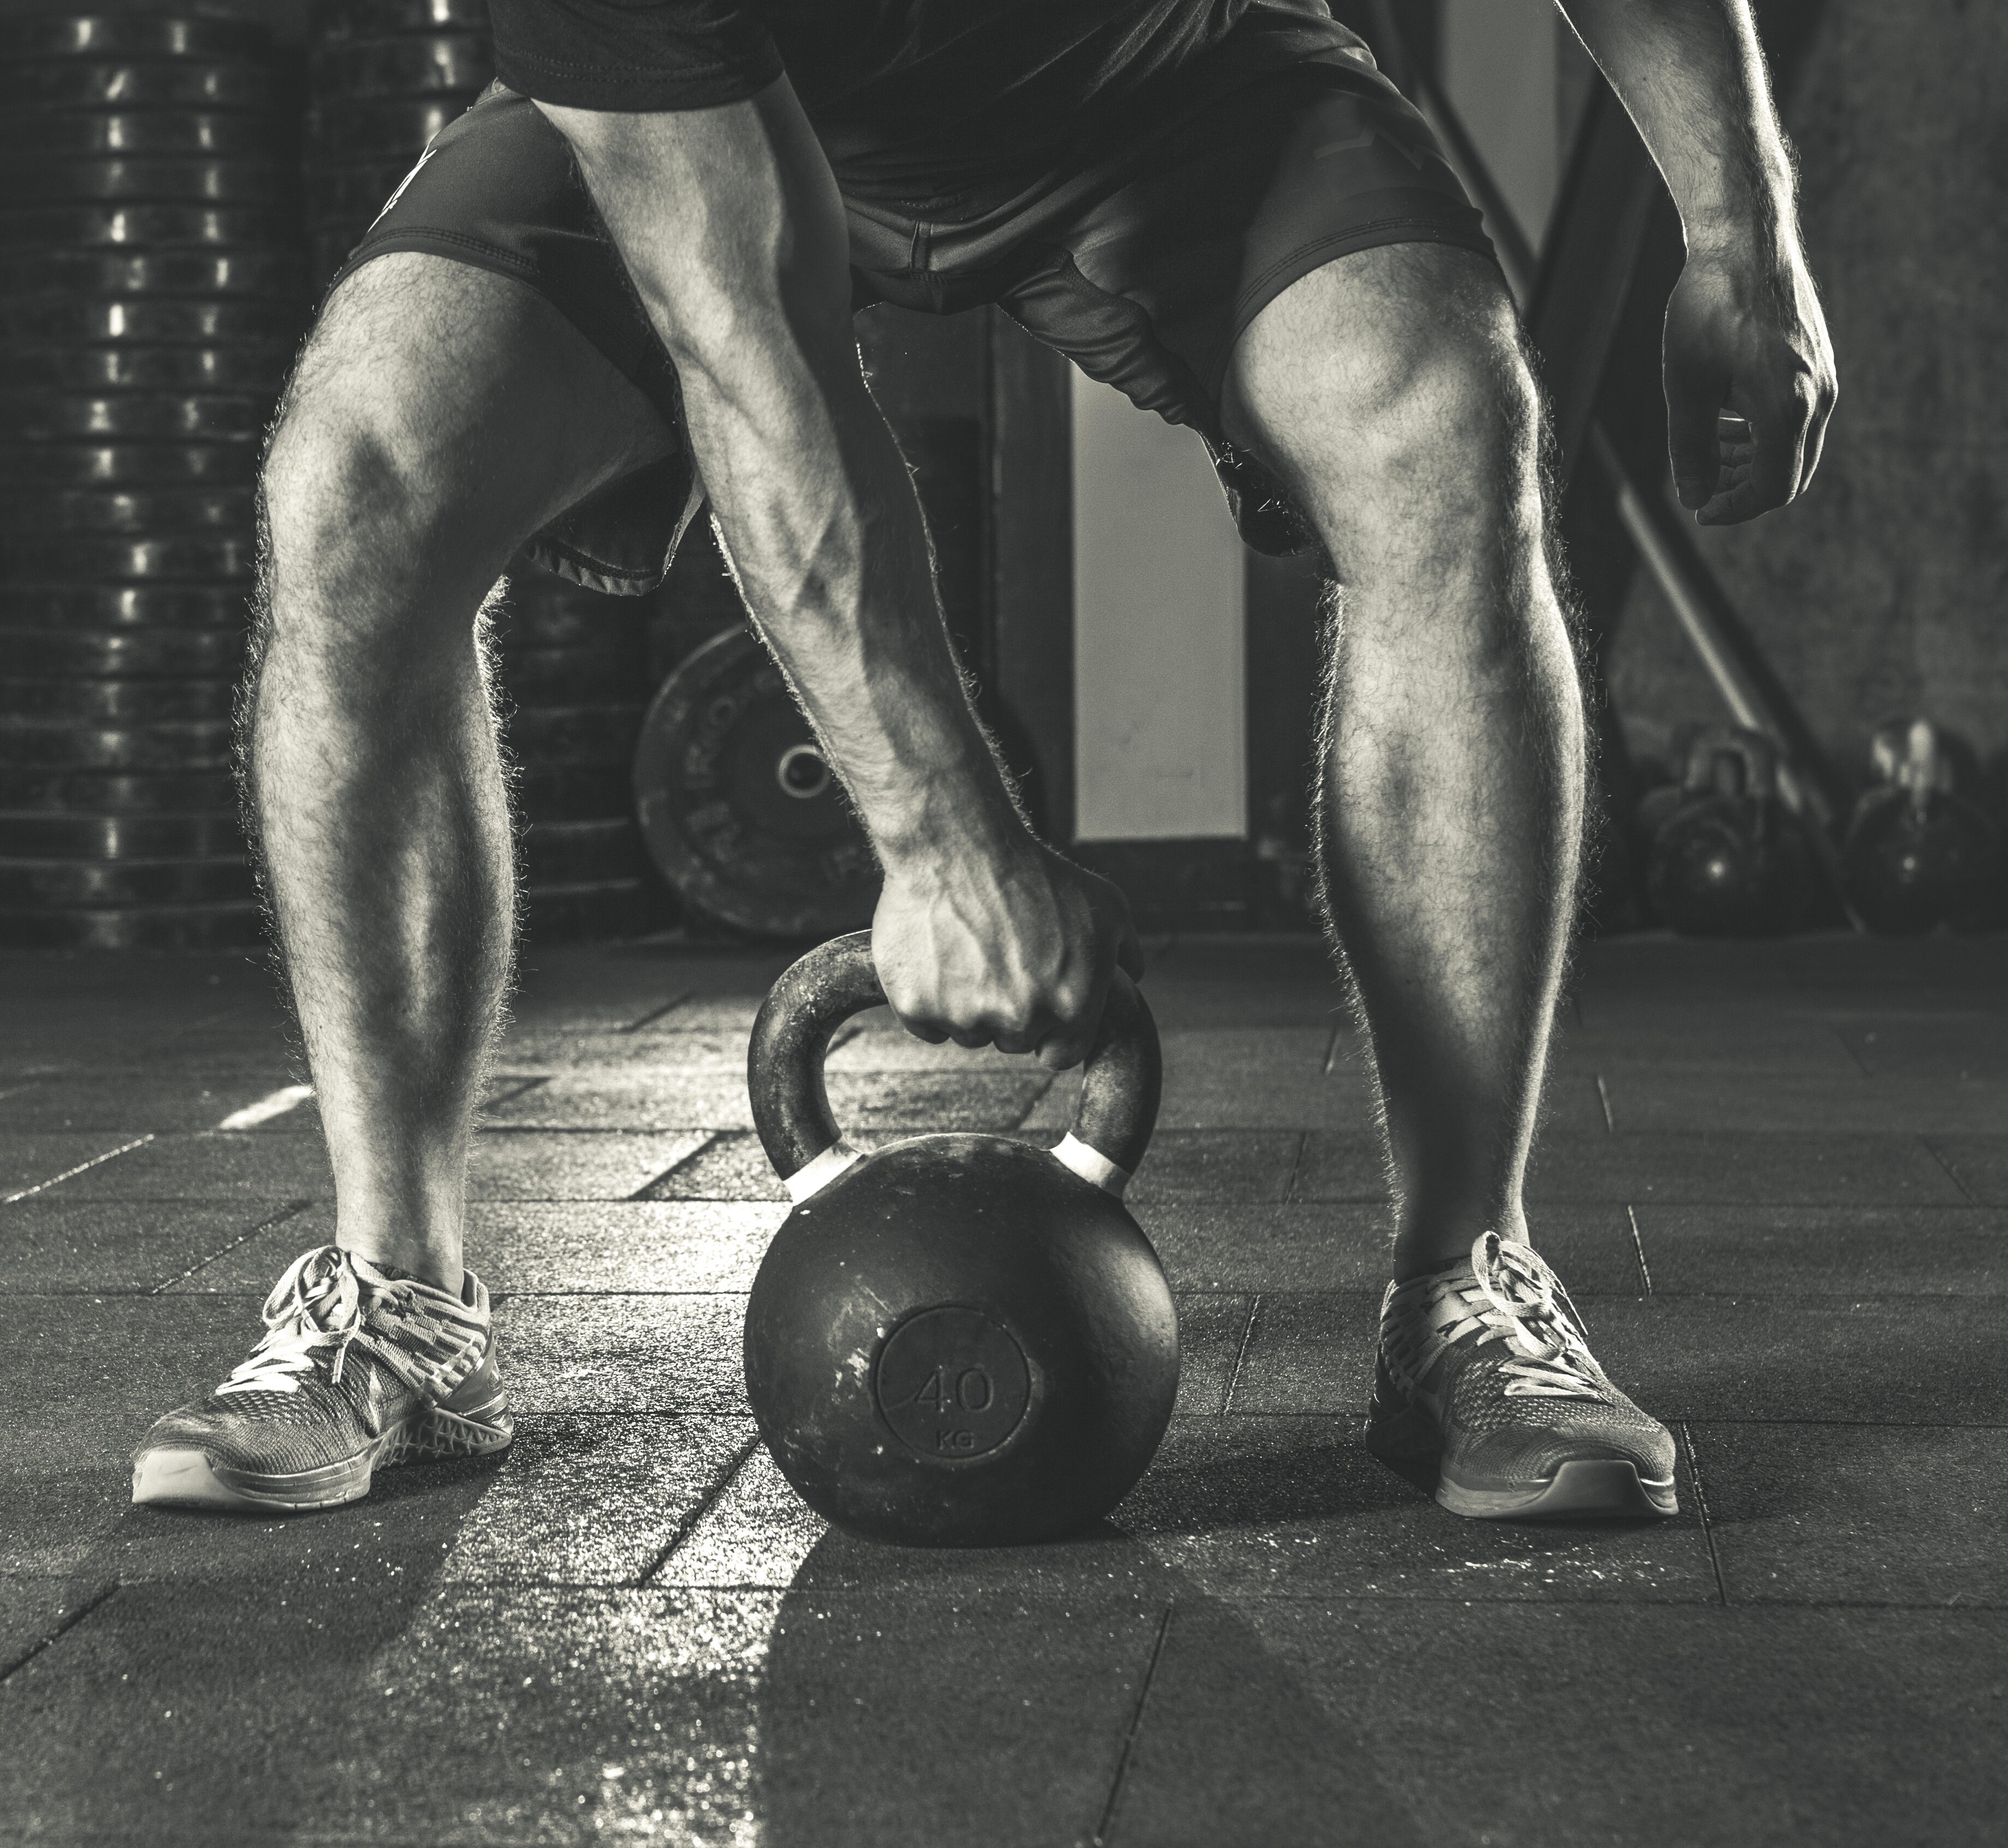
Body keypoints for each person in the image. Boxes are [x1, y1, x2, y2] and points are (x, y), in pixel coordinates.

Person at [129, 0, 1835, 1522]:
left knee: (1445, 424)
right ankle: (400, 1304)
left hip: (1172, 72)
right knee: (360, 476)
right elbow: (752, 349)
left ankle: (1469, 1282)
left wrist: (1741, 235)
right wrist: (941, 843)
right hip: (742, 114)